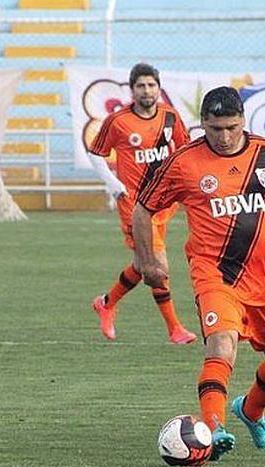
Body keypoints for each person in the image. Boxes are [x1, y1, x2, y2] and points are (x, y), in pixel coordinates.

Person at [133, 86, 265, 460]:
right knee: (221, 344)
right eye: (215, 128)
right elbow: (142, 209)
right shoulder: (184, 162)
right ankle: (213, 429)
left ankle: (250, 412)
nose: (223, 136)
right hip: (216, 274)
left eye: (231, 127)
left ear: (243, 122)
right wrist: (148, 261)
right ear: (203, 124)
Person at [86, 62, 197, 345]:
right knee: (157, 266)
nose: (147, 90)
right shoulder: (118, 121)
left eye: (151, 85)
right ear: (132, 90)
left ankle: (106, 303)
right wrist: (116, 187)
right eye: (141, 86)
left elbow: (184, 152)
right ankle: (175, 328)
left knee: (142, 263)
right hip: (135, 206)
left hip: (163, 202)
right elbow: (96, 153)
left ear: (158, 88)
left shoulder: (170, 117)